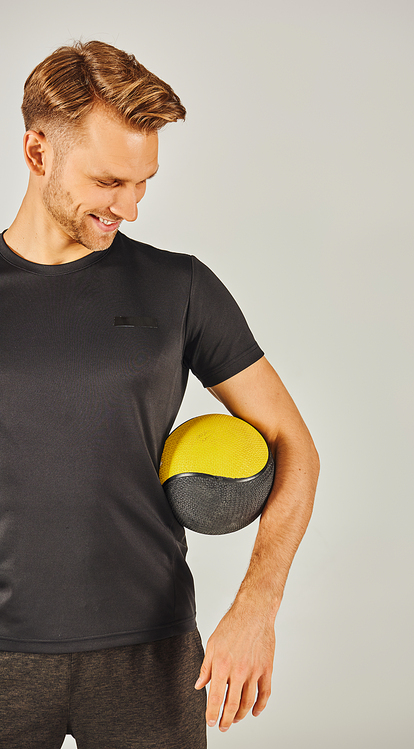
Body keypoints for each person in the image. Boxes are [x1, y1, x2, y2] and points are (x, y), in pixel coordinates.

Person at [0, 40, 319, 749]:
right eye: (111, 181)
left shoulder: (179, 288)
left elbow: (295, 444)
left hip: (150, 653)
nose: (132, 208)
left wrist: (257, 606)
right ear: (36, 152)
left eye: (144, 183)